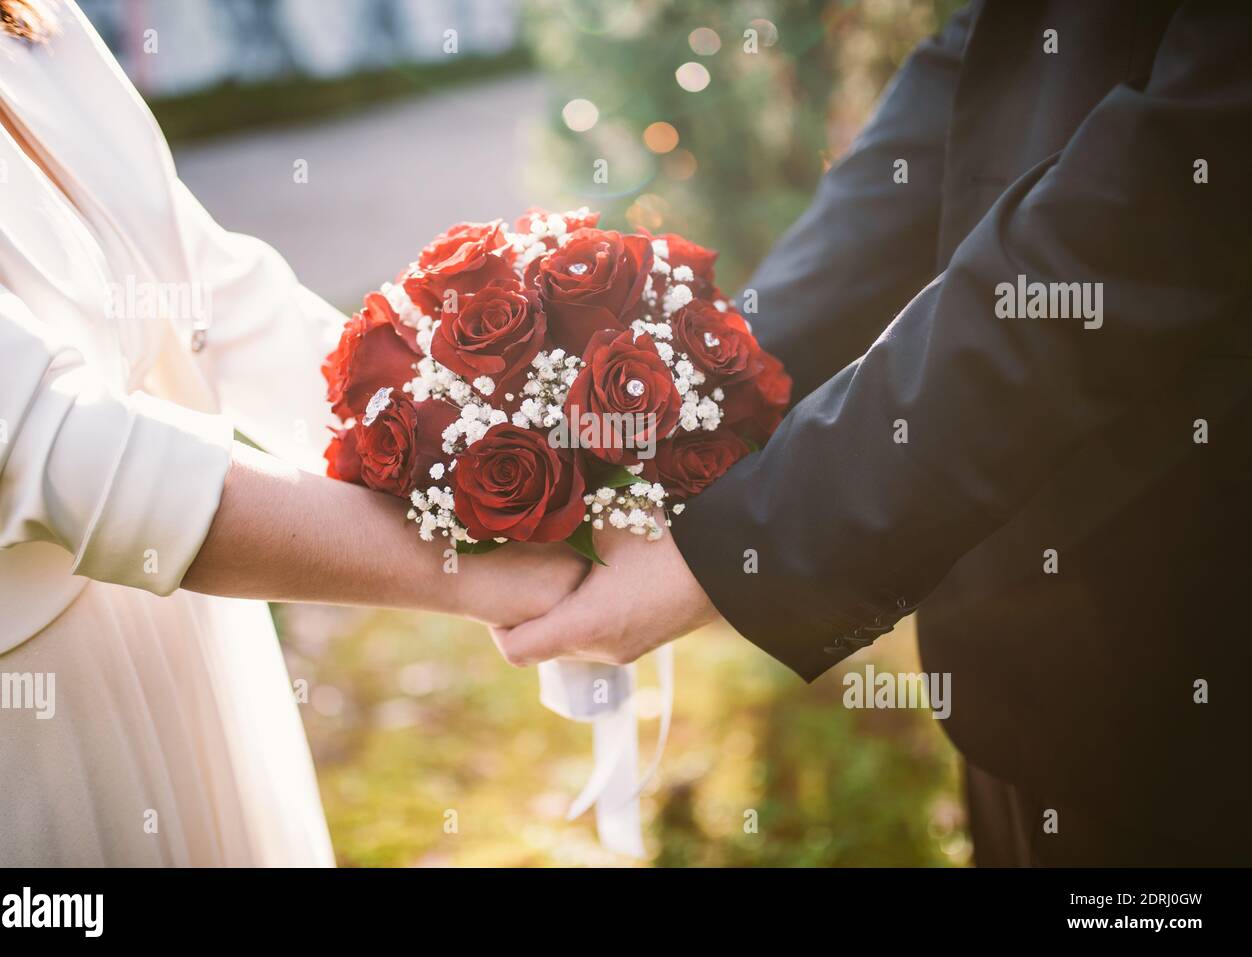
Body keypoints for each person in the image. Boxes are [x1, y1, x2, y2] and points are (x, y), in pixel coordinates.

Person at [497, 0, 1252, 865]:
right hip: (1034, 685)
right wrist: (694, 397)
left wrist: (739, 548)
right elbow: (972, 89)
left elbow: (1153, 212)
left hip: (1198, 676)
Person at [0, 0, 583, 866]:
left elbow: (205, 286)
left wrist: (486, 458)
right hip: (26, 719)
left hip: (195, 629)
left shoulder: (17, 11)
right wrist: (476, 573)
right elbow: (58, 449)